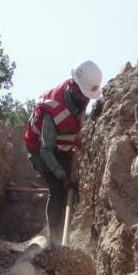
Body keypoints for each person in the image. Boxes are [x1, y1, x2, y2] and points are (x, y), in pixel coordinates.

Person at [23, 59, 103, 246]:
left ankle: (66, 239)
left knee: (73, 189)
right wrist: (62, 176)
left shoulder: (81, 97)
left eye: (87, 96)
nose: (85, 100)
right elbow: (46, 150)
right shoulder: (53, 108)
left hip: (62, 148)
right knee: (58, 191)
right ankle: (55, 242)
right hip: (40, 151)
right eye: (83, 95)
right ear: (73, 86)